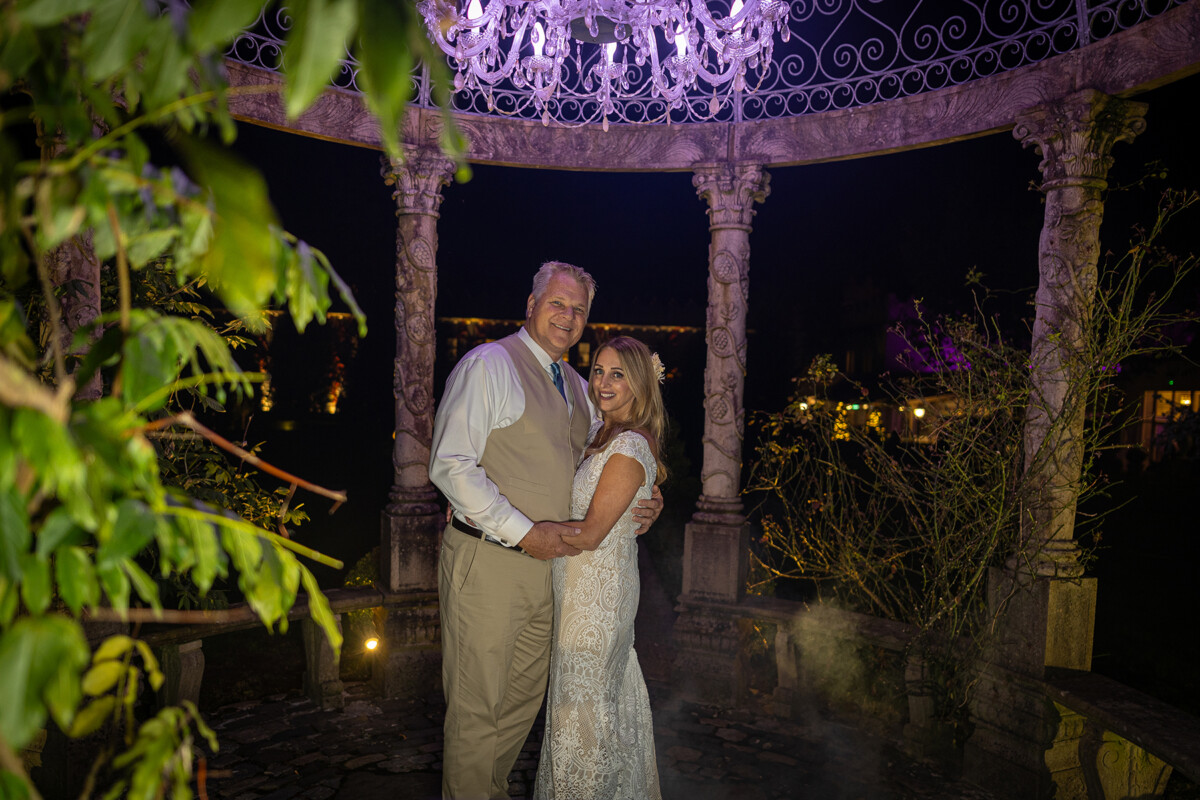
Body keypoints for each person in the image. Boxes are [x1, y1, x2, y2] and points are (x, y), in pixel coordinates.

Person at [429, 262, 662, 800]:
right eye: (558, 303)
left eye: (579, 310)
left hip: (554, 578)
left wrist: (645, 500)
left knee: (520, 705)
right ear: (531, 305)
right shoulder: (488, 365)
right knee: (476, 710)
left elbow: (606, 465)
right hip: (488, 564)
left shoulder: (581, 389)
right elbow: (451, 466)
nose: (568, 316)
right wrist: (522, 531)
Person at [533, 336, 666, 800]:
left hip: (597, 598)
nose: (603, 383)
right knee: (594, 706)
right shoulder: (599, 432)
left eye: (617, 374)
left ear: (640, 383)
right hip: (579, 587)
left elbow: (590, 534)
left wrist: (517, 533)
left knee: (582, 712)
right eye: (598, 371)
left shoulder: (628, 443)